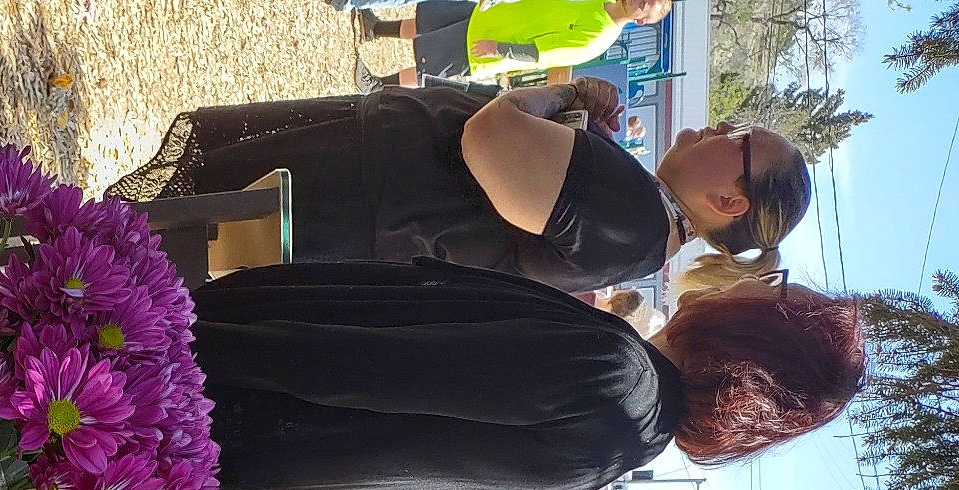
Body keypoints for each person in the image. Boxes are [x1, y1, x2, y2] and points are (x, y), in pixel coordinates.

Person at [190, 256, 866, 490]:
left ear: (750, 336)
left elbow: (355, 369)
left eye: (769, 291)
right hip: (219, 442)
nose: (749, 276)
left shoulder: (616, 375)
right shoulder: (625, 443)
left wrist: (171, 343)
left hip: (197, 384)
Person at [106, 82, 813, 294]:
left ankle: (24, 258)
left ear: (731, 202)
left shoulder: (632, 214)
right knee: (155, 241)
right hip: (358, 196)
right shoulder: (637, 223)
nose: (722, 127)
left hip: (346, 191)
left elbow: (488, 141)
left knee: (149, 245)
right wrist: (577, 129)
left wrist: (557, 93)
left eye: (741, 141)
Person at [350, 0, 671, 87]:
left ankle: (378, 85)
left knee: (429, 64)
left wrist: (498, 49)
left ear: (642, 20)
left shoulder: (599, 37)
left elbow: (542, 53)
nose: (639, 0)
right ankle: (376, 29)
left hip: (493, 44)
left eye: (646, 4)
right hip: (493, 13)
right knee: (429, 21)